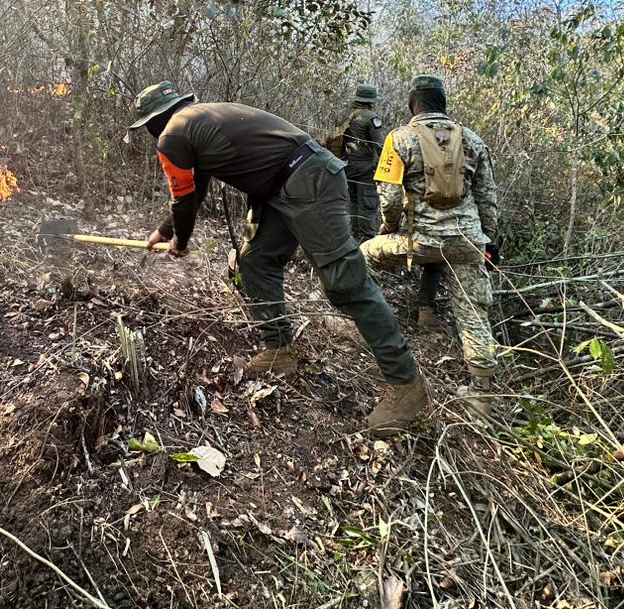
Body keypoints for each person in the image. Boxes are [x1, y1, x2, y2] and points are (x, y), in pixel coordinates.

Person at [126, 81, 429, 432]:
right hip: (285, 185)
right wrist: (167, 231)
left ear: (153, 121)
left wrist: (180, 239)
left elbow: (182, 199)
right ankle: (280, 350)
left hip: (307, 180)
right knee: (254, 261)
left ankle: (406, 382)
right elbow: (196, 188)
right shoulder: (197, 122)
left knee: (345, 281)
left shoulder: (173, 135)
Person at [360, 74, 500, 418]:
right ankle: (481, 394)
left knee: (362, 257)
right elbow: (488, 198)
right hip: (466, 242)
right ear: (443, 103)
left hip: (418, 241)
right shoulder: (473, 141)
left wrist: (388, 229)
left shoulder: (399, 138)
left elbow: (390, 199)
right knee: (473, 312)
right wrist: (488, 240)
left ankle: (357, 325)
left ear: (414, 104)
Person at [325, 84, 385, 240]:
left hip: (346, 167)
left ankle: (354, 239)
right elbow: (380, 146)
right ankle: (367, 241)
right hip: (366, 169)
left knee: (354, 204)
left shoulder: (344, 115)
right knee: (368, 206)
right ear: (370, 101)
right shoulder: (371, 118)